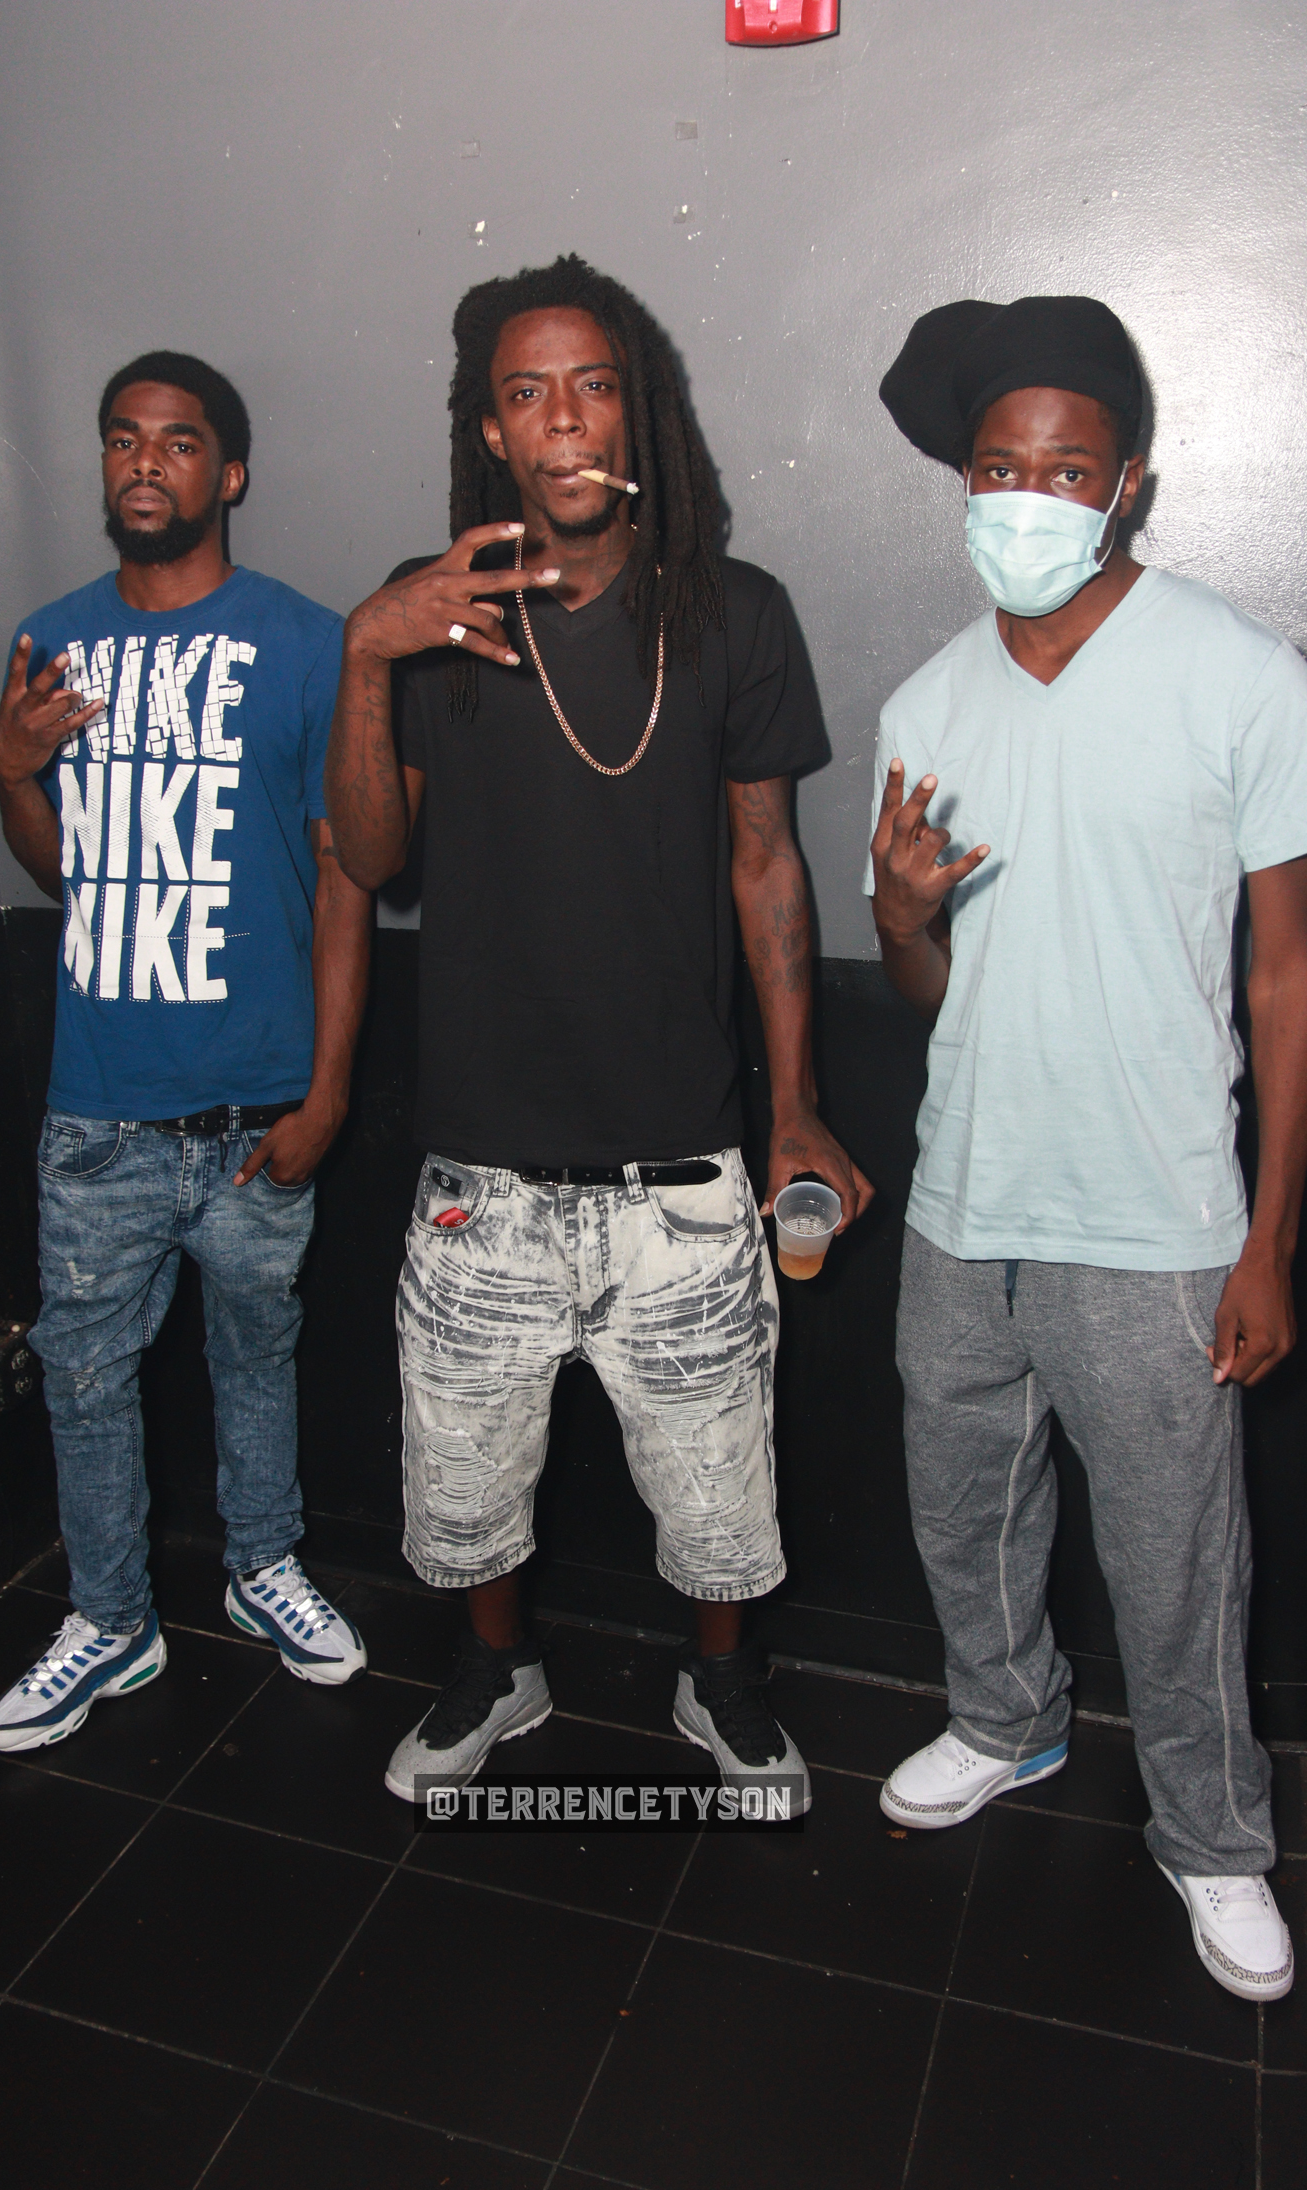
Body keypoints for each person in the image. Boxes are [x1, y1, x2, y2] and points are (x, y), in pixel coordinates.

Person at [326, 254, 872, 1807]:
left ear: (638, 413)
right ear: (489, 430)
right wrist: (368, 650)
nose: (562, 420)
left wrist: (795, 1104)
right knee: (469, 1483)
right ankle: (498, 1669)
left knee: (718, 1494)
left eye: (592, 386)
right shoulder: (431, 614)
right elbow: (372, 858)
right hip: (479, 1165)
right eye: (527, 392)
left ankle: (723, 1683)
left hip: (679, 1163)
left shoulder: (733, 614)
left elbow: (767, 864)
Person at [867, 295, 1307, 2000]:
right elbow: (929, 984)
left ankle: (1214, 1838)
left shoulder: (1244, 674)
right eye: (1000, 466)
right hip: (963, 1194)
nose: (1029, 495)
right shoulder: (927, 700)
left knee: (1178, 1557)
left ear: (1127, 481)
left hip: (1156, 1216)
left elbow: (1290, 976)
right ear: (966, 482)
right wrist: (901, 917)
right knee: (963, 1503)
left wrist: (1271, 1237)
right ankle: (1007, 1719)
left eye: (1066, 468)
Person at [0, 350, 371, 1752]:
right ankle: (110, 1618)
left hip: (258, 1103)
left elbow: (346, 883)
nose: (145, 460)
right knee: (84, 1379)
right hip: (100, 1107)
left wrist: (329, 1090)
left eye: (179, 440)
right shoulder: (50, 641)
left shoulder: (308, 643)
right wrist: (11, 769)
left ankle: (263, 1564)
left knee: (258, 1354)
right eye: (122, 438)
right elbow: (64, 871)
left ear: (230, 472)